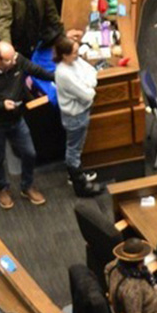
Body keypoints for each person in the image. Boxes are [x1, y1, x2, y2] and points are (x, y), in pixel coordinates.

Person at [0, 41, 55, 209]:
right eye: (8, 60)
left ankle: (27, 186)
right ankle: (3, 188)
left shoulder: (17, 60)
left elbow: (35, 70)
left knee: (29, 153)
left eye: (14, 57)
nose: (14, 62)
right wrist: (1, 105)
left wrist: (56, 77)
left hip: (17, 119)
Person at [53, 36, 103, 197]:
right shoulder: (63, 73)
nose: (78, 54)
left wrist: (88, 84)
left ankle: (78, 174)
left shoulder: (74, 61)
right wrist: (88, 86)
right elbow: (88, 95)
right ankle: (80, 186)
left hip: (81, 112)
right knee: (74, 150)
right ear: (65, 55)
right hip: (75, 116)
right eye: (74, 52)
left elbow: (92, 71)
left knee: (77, 147)